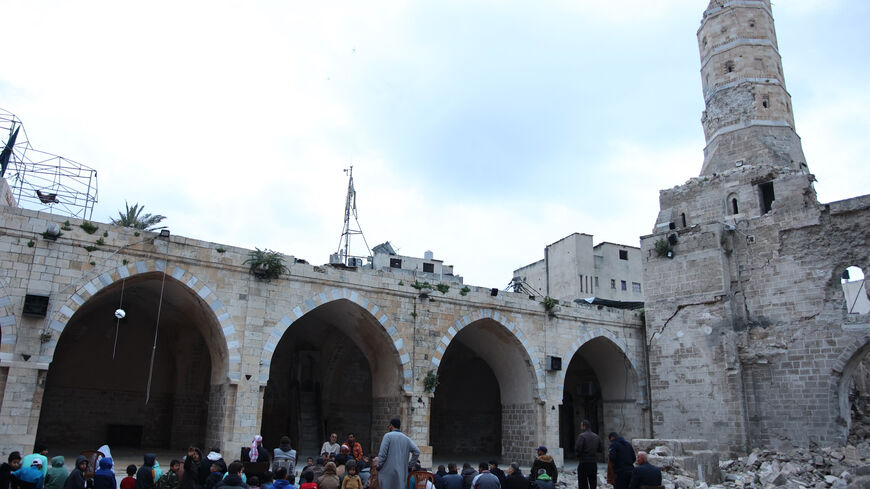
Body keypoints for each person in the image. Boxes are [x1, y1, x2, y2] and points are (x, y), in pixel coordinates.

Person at [376, 418, 419, 489]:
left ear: (391, 425)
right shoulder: (406, 438)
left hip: (387, 471)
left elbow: (382, 454)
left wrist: (379, 466)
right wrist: (409, 466)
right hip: (401, 473)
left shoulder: (387, 436)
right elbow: (417, 452)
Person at [575, 420, 603, 489]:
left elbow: (578, 448)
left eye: (581, 426)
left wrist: (578, 455)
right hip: (593, 463)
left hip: (584, 462)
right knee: (593, 482)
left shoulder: (582, 436)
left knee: (583, 482)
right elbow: (600, 449)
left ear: (584, 426)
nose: (580, 427)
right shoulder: (597, 436)